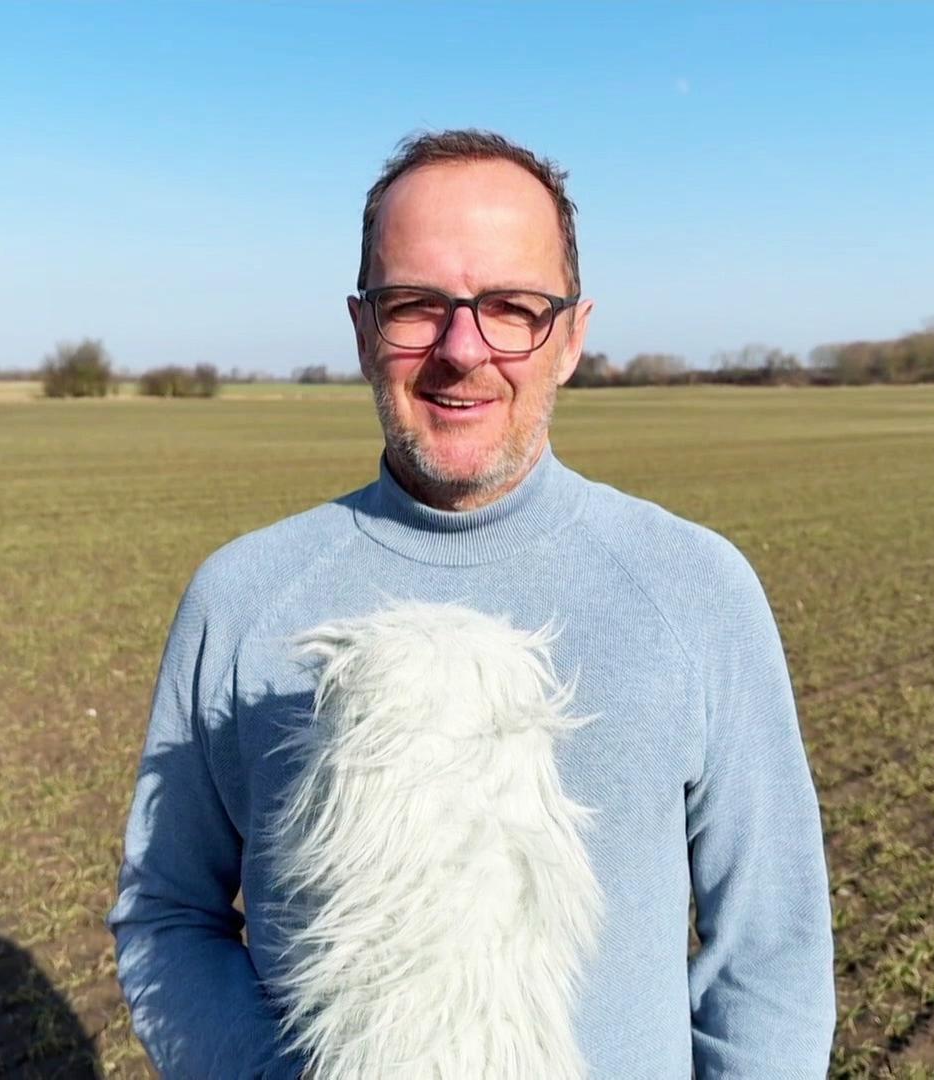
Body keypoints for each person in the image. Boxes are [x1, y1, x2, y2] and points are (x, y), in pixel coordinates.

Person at [108, 129, 834, 1077]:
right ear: (365, 330)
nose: (462, 350)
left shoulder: (697, 589)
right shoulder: (241, 596)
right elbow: (167, 915)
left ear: (571, 337)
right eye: (416, 306)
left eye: (512, 307)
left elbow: (772, 951)